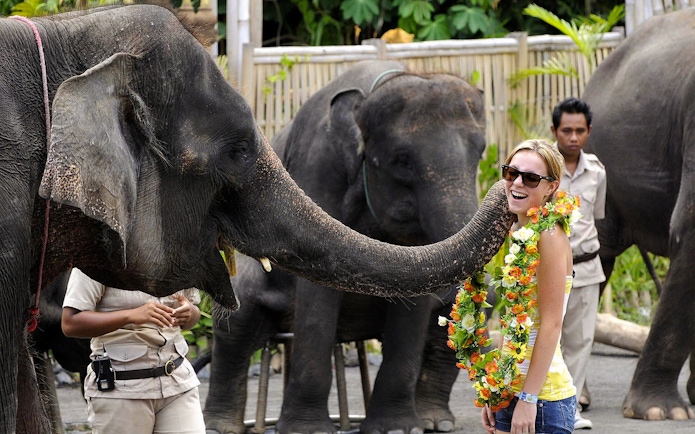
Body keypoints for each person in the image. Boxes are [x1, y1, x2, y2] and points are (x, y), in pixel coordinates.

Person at [481, 139, 577, 434]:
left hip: (543, 401)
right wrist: (495, 390)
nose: (517, 182)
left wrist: (528, 398)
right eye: (512, 173)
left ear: (551, 187)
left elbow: (550, 325)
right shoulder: (519, 231)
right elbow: (512, 321)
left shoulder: (548, 234)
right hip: (511, 394)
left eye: (531, 178)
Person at [61, 267, 206, 434]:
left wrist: (190, 313)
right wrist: (130, 316)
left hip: (178, 383)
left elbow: (192, 315)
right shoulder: (97, 257)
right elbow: (70, 323)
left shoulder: (181, 254)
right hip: (121, 389)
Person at [551, 97, 607, 430]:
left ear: (589, 132)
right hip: (548, 269)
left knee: (581, 341)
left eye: (580, 131)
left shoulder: (597, 172)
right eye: (566, 130)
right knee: (545, 337)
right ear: (554, 130)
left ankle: (568, 409)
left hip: (586, 268)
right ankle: (541, 404)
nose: (573, 138)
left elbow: (594, 217)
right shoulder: (541, 171)